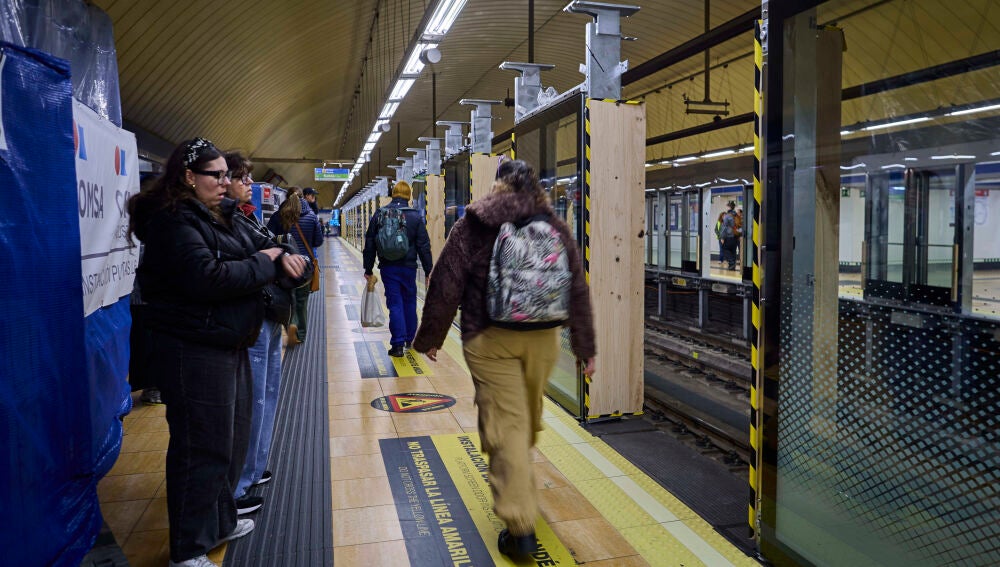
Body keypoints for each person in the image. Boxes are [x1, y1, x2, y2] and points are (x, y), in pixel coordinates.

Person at [127, 138, 305, 567]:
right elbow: (207, 277)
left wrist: (281, 260)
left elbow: (267, 252)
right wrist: (266, 261)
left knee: (230, 440)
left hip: (227, 341)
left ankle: (219, 521)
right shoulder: (173, 221)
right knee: (200, 447)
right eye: (217, 175)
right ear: (189, 177)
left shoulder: (220, 216)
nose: (226, 183)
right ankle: (188, 549)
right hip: (193, 349)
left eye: (228, 175)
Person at [411, 159, 595, 559]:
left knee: (507, 425)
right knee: (524, 418)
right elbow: (576, 287)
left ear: (497, 186)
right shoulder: (556, 227)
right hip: (544, 340)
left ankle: (520, 525)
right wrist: (585, 347)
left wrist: (432, 337)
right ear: (537, 189)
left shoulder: (475, 224)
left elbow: (447, 280)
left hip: (489, 339)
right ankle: (518, 476)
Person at [224, 151, 311, 513]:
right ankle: (240, 483)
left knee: (267, 393)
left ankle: (254, 468)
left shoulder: (249, 218)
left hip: (270, 314)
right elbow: (262, 259)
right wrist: (275, 260)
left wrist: (281, 257)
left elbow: (284, 254)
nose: (249, 184)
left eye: (248, 178)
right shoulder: (226, 222)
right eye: (241, 178)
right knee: (253, 399)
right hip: (254, 318)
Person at [362, 180, 433, 357]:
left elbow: (370, 243)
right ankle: (411, 339)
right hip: (409, 267)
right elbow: (424, 246)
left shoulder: (380, 214)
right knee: (409, 301)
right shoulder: (416, 217)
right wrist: (428, 269)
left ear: (393, 194)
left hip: (388, 267)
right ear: (408, 195)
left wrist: (368, 268)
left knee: (395, 304)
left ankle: (397, 345)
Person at [267, 187, 323, 345]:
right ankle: (300, 333)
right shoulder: (311, 217)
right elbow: (318, 241)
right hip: (304, 265)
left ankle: (290, 323)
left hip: (285, 264)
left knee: (287, 297)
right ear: (304, 199)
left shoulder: (279, 215)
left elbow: (268, 237)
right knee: (301, 301)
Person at [719, 200, 738, 271]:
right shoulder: (736, 215)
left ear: (729, 207)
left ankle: (732, 262)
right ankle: (732, 266)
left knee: (724, 249)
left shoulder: (727, 216)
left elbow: (724, 227)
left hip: (729, 236)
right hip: (736, 236)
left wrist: (722, 237)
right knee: (733, 251)